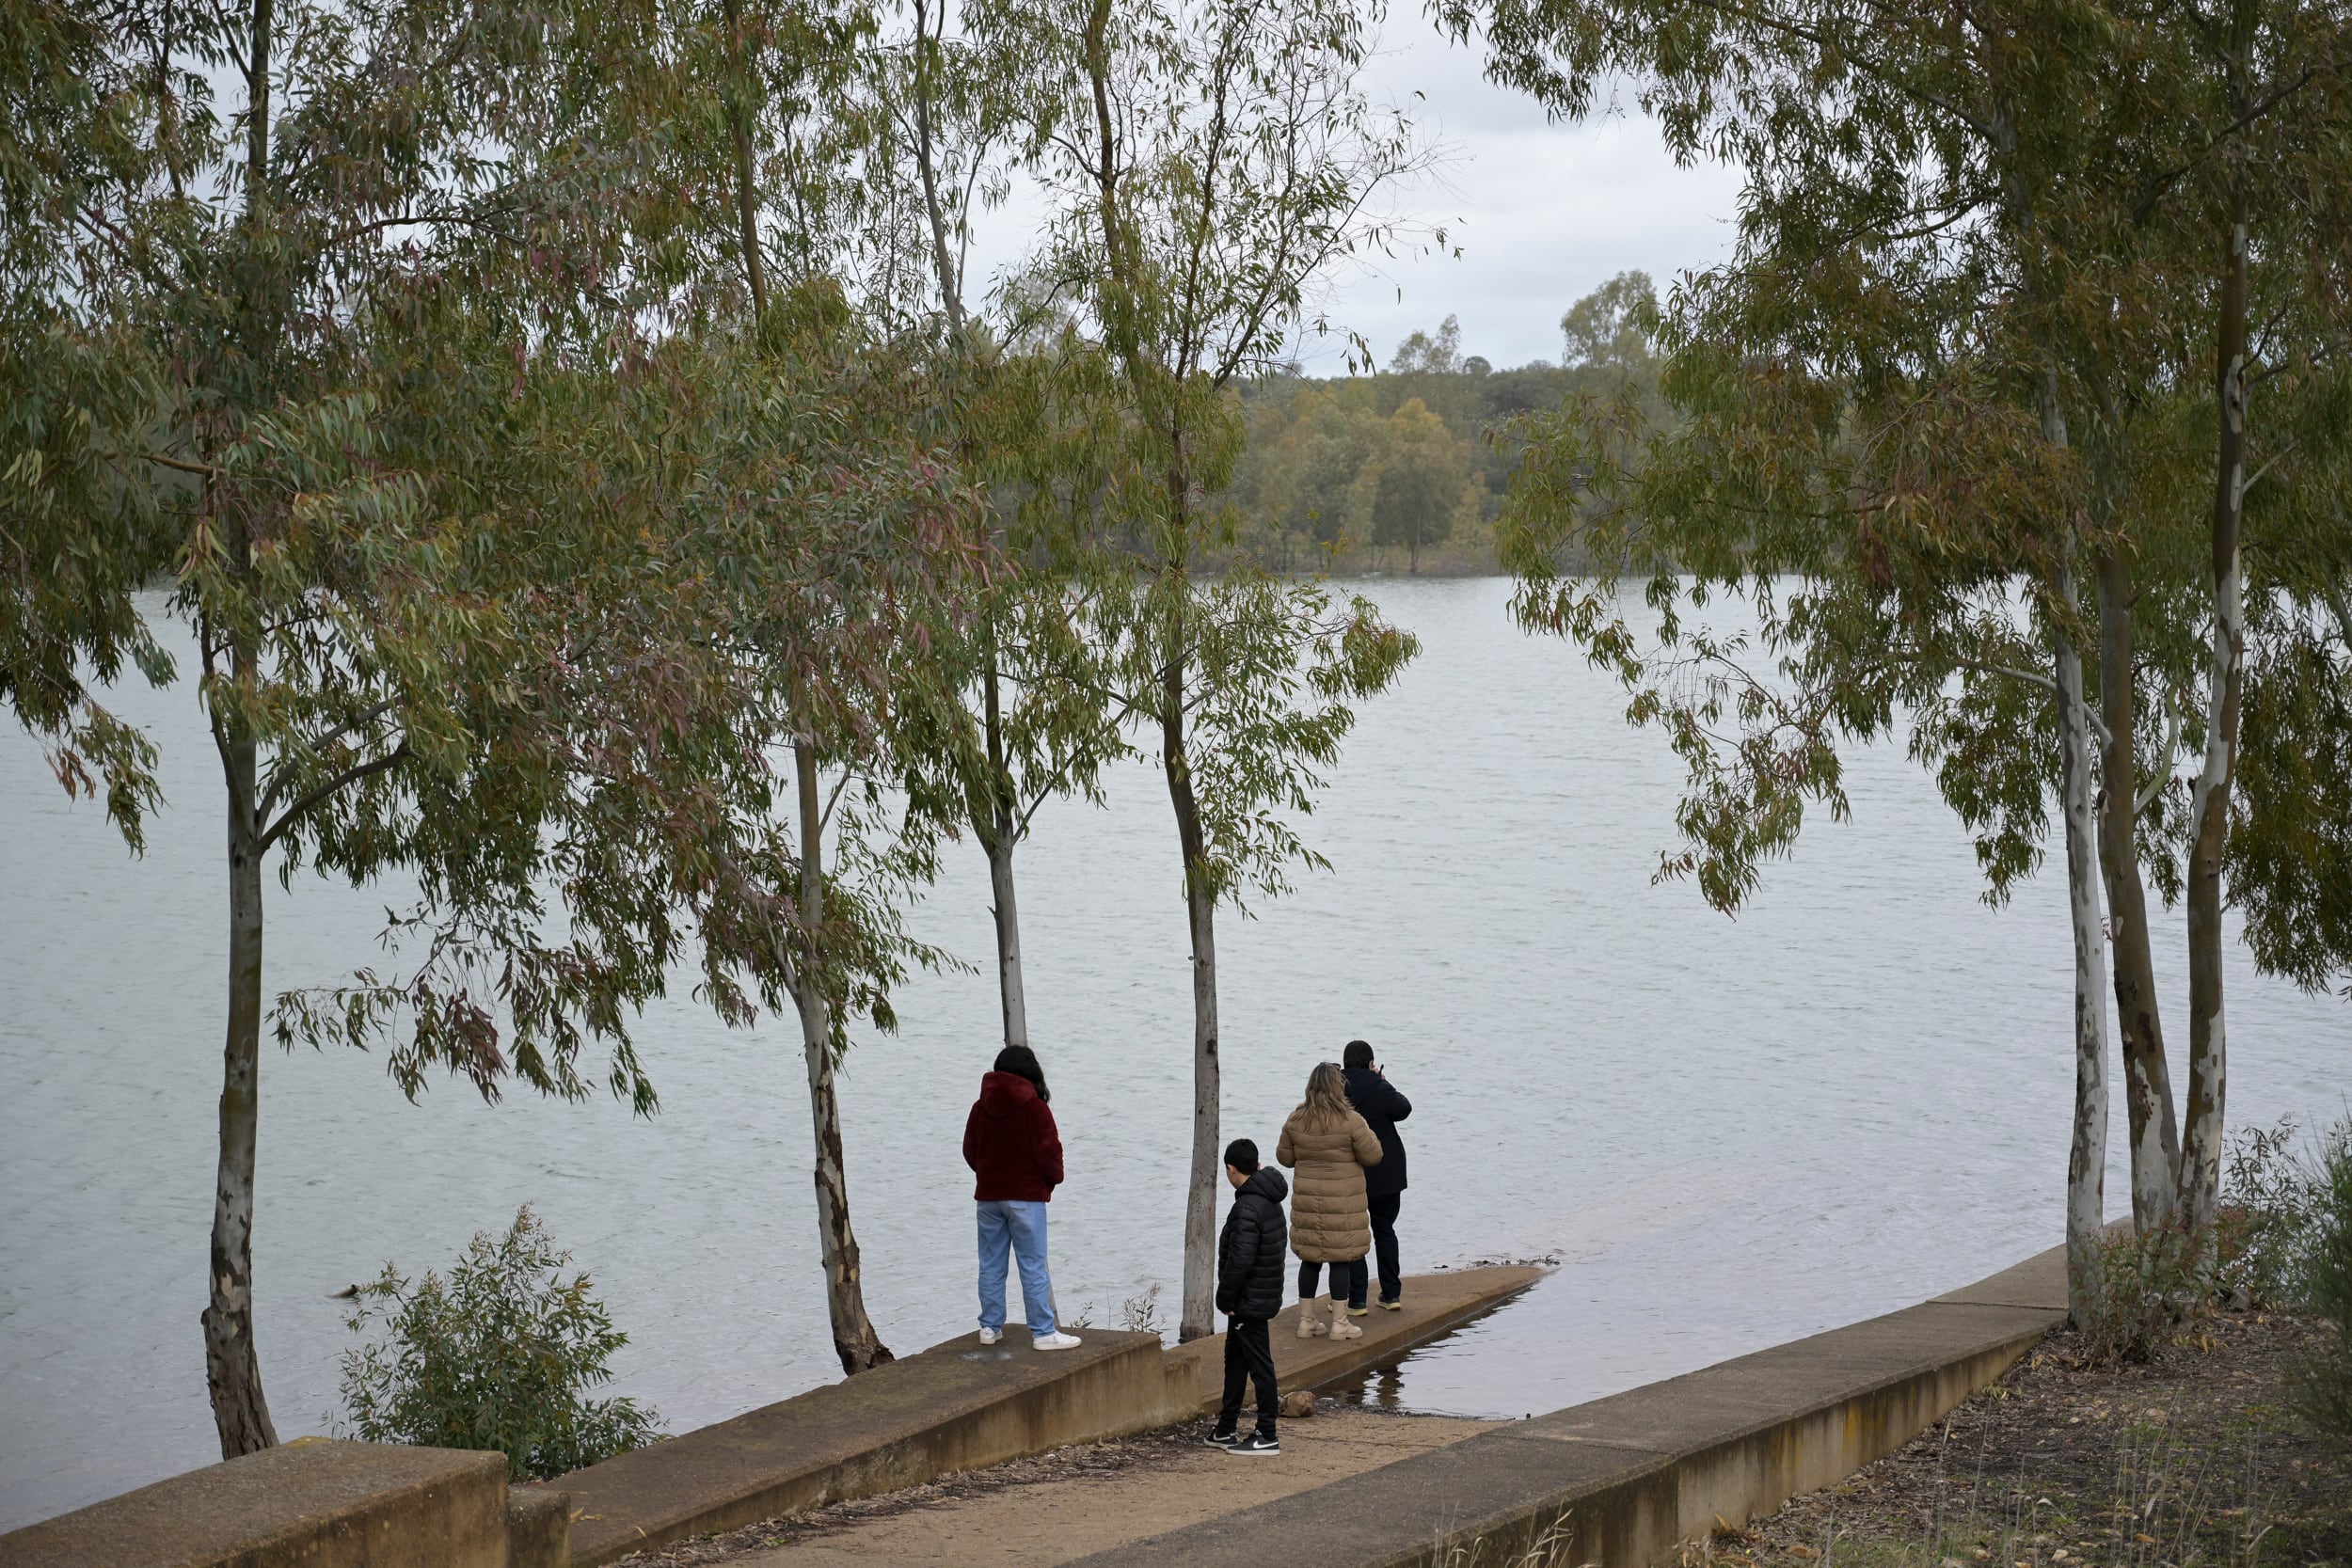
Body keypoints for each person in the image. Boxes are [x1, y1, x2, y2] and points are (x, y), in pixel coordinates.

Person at [961, 1045, 1081, 1350]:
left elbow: (970, 1151)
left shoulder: (979, 1106)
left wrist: (988, 1175)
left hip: (988, 1198)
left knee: (990, 1264)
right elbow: (1049, 1155)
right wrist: (1051, 1182)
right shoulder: (1034, 1108)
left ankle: (989, 1328)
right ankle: (1043, 1333)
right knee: (1032, 1265)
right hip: (1026, 1198)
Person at [1276, 1061, 1383, 1342]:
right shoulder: (1351, 1120)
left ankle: (1306, 1322)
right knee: (1340, 1261)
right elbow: (1373, 1156)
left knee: (1310, 1260)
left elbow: (1284, 1158)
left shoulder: (1296, 1119)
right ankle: (1340, 1324)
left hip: (1308, 1204)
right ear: (1339, 1087)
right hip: (1342, 1204)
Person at [1208, 1137, 1288, 1455]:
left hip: (1247, 1301)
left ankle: (1267, 1433)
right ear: (1256, 1165)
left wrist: (1225, 1301)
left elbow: (1239, 1260)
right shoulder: (1269, 1199)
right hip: (1260, 1294)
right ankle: (1226, 1428)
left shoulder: (1246, 1207)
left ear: (1230, 1169)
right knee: (1236, 1362)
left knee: (1259, 1366)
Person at [1341, 1038, 1412, 1312]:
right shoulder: (1380, 1087)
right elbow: (1404, 1109)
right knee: (1385, 1230)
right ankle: (1391, 1295)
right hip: (1387, 1171)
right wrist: (1384, 1081)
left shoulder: (1336, 1090)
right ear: (1371, 1063)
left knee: (1354, 1235)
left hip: (1352, 1171)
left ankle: (1357, 1300)